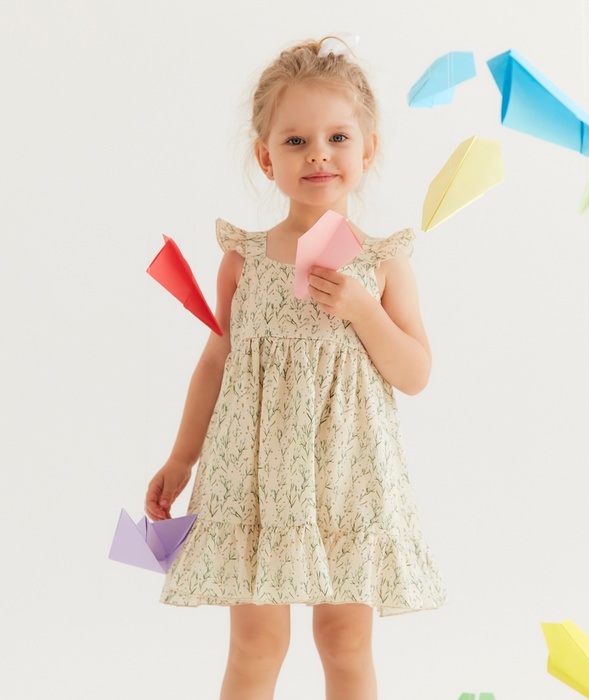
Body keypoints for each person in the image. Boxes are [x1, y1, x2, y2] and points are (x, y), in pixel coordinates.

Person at [145, 36, 447, 700]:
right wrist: (181, 457)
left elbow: (415, 372)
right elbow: (216, 359)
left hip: (347, 478)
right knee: (257, 644)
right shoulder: (245, 260)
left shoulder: (382, 262)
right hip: (257, 477)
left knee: (345, 641)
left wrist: (363, 310)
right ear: (265, 158)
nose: (318, 154)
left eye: (338, 137)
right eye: (295, 141)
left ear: (368, 150)